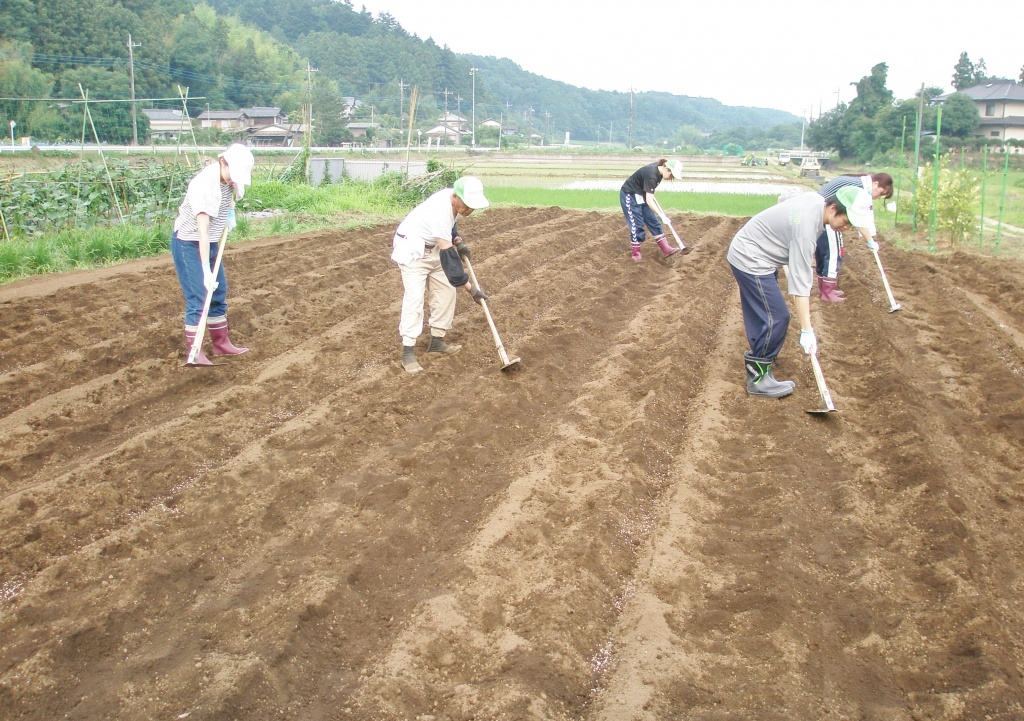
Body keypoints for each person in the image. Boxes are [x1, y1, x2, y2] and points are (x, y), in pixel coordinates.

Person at [727, 186, 873, 398]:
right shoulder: (805, 233)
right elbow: (801, 284)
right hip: (752, 259)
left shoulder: (815, 198)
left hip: (754, 252)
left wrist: (784, 230)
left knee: (764, 311)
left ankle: (763, 359)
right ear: (833, 208)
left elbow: (782, 197)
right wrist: (807, 329)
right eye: (847, 220)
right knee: (777, 317)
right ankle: (758, 380)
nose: (847, 227)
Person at [391, 176, 489, 374]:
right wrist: (471, 290)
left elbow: (450, 226)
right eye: (468, 205)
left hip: (434, 247)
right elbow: (450, 260)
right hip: (413, 251)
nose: (470, 210)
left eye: (473, 206)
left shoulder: (451, 201)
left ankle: (437, 341)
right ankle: (408, 351)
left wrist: (458, 241)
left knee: (446, 293)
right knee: (415, 300)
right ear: (455, 197)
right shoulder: (439, 210)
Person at [171, 143, 254, 366]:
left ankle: (221, 343)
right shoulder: (203, 185)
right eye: (231, 174)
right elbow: (203, 230)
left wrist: (229, 215)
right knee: (200, 297)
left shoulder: (228, 179)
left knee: (218, 293)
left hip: (210, 242)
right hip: (189, 243)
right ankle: (195, 351)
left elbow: (230, 200)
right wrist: (206, 270)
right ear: (222, 162)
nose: (232, 180)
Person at [814, 173, 893, 301]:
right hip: (829, 217)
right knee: (834, 254)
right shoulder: (859, 190)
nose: (878, 197)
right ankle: (827, 292)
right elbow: (859, 217)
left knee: (825, 253)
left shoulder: (859, 184)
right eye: (881, 193)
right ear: (875, 184)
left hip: (824, 215)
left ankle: (825, 289)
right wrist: (870, 240)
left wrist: (870, 238)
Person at [619, 158, 689, 261]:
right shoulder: (652, 174)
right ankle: (636, 254)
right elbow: (650, 200)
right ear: (667, 169)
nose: (671, 178)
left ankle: (666, 249)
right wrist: (662, 215)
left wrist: (659, 216)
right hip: (630, 195)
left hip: (641, 194)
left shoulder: (659, 171)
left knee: (653, 221)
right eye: (672, 175)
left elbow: (648, 194)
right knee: (636, 224)